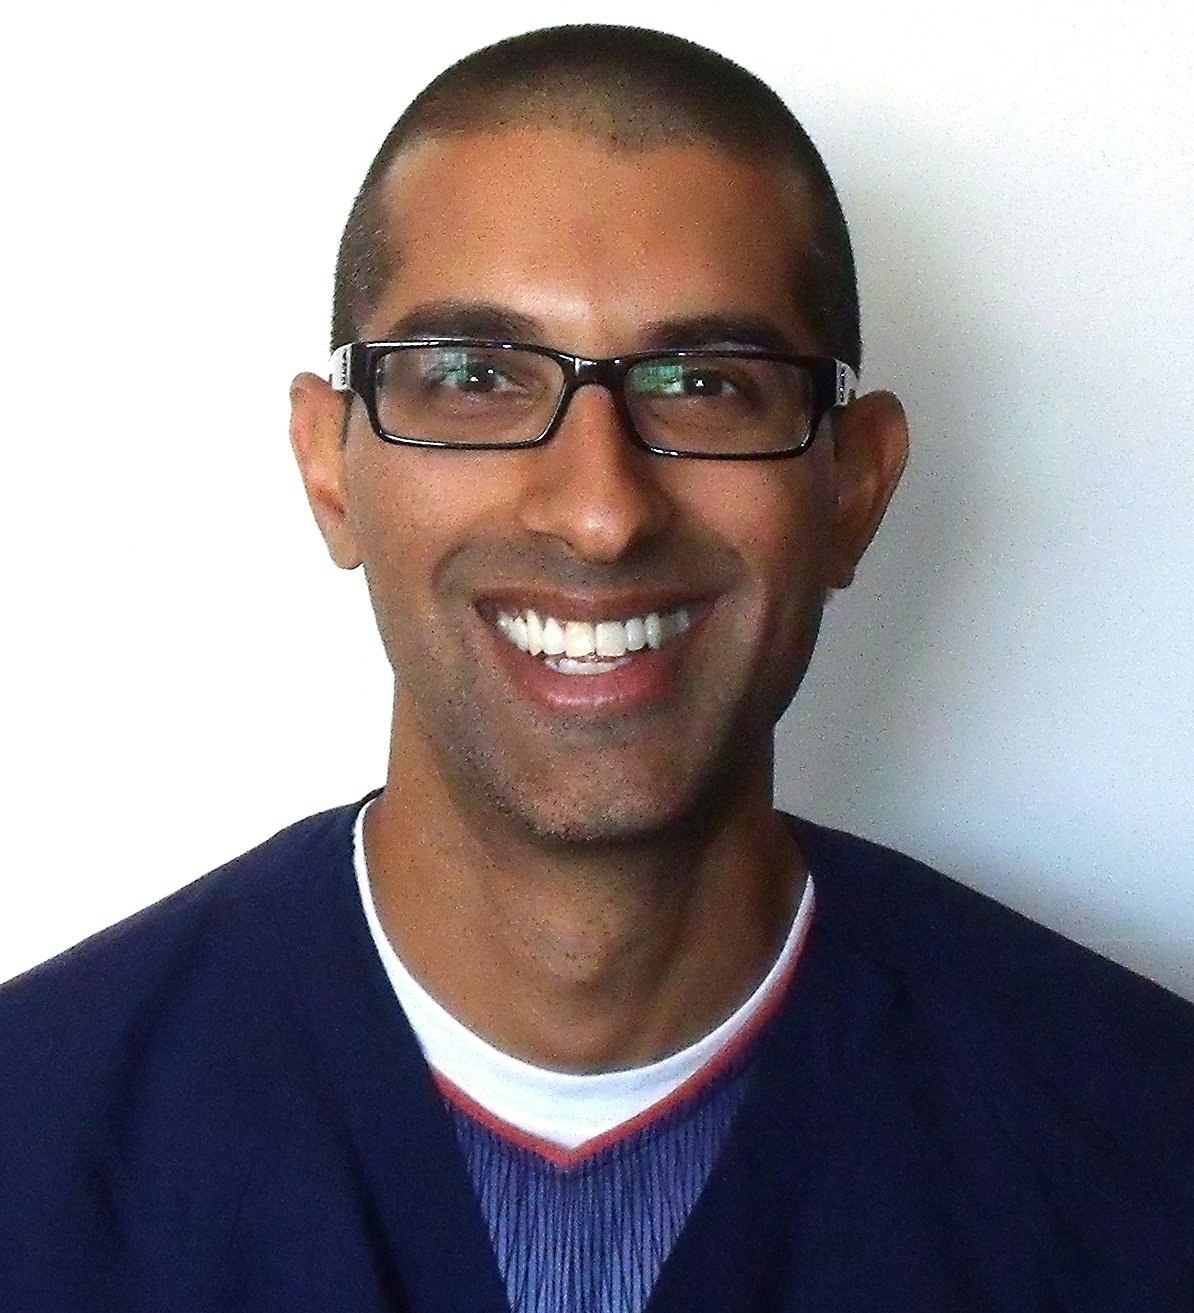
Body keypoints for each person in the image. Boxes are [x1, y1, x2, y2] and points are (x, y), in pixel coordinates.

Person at [0, 24, 1189, 1313]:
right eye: (472, 378)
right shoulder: (31, 1140)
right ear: (328, 466)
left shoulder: (1147, 1147)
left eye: (705, 384)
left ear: (854, 486)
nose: (599, 511)